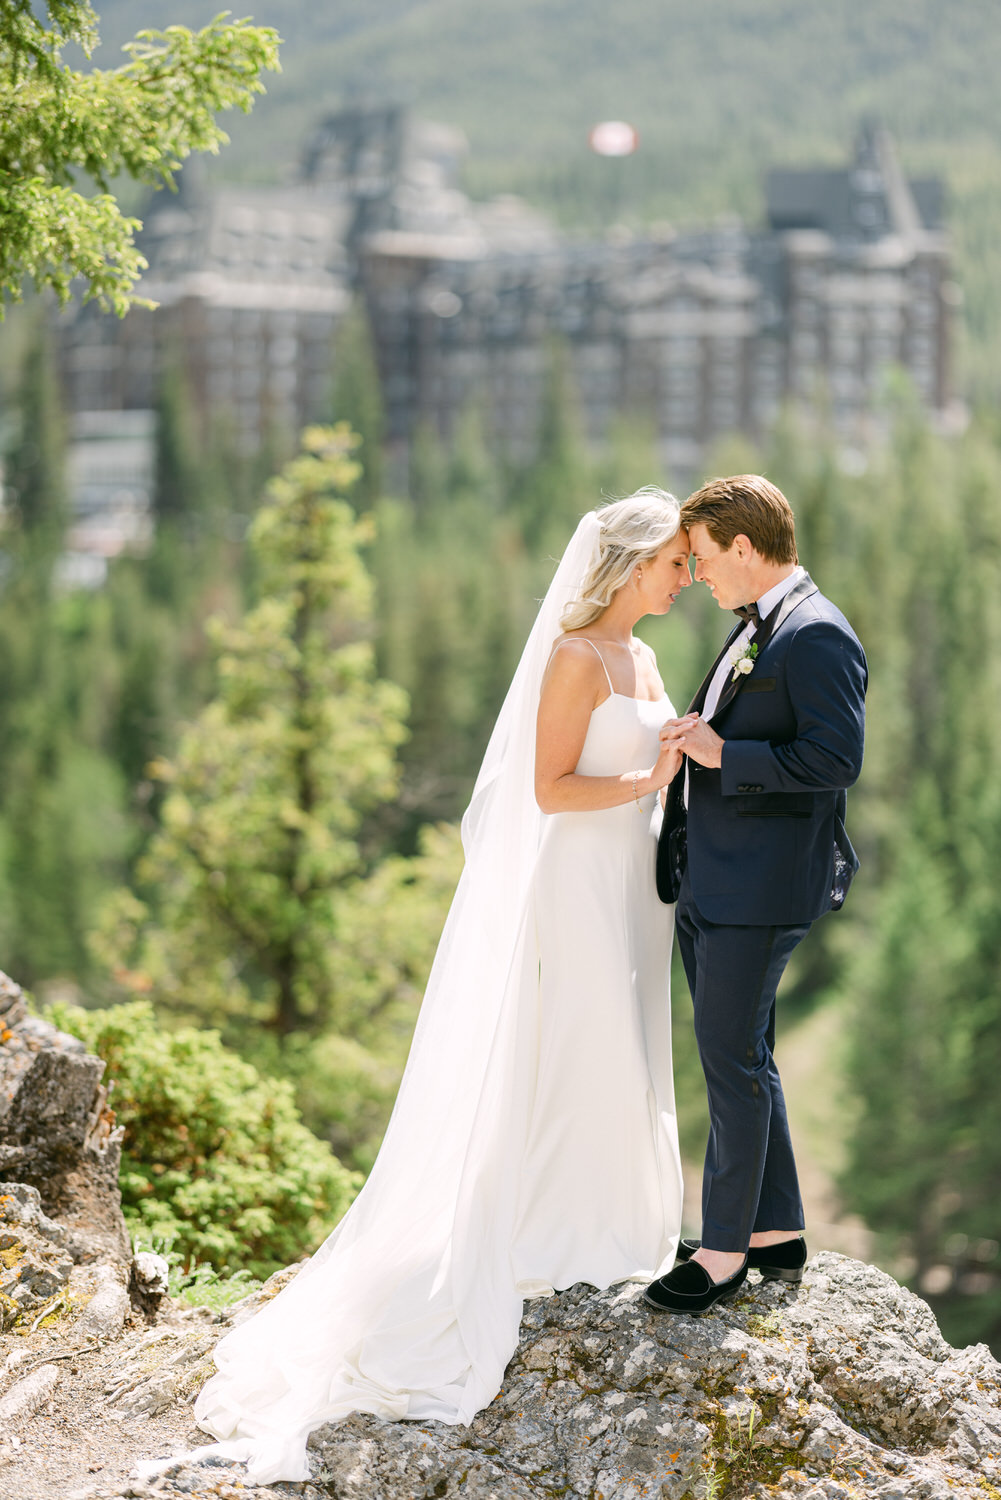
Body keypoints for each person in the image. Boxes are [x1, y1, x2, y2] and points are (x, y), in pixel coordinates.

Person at [147, 490, 690, 1485]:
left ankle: (615, 1221)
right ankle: (553, 1229)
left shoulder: (646, 661)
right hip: (575, 884)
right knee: (579, 1045)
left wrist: (666, 769)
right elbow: (547, 790)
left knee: (624, 1047)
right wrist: (644, 785)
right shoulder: (573, 657)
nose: (682, 578)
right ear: (628, 565)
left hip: (631, 889)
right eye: (671, 564)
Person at [644, 475, 867, 1317]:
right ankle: (776, 1233)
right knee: (749, 1057)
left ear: (743, 547)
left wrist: (717, 757)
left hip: (759, 889)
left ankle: (722, 1251)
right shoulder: (760, 629)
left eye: (701, 559)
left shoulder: (814, 636)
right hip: (717, 878)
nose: (696, 575)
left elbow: (834, 761)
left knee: (728, 1063)